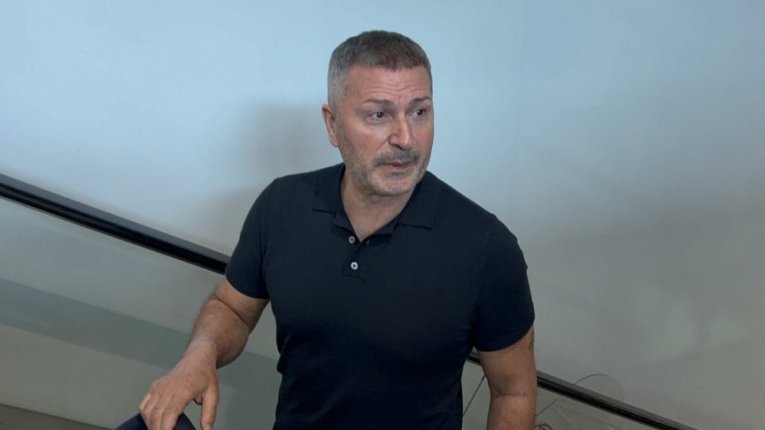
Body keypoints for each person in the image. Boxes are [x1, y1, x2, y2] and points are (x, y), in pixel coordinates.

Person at [139, 31, 536, 430]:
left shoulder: (486, 247)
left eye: (419, 112)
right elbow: (232, 308)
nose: (406, 138)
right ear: (332, 125)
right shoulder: (282, 205)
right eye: (379, 115)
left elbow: (513, 391)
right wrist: (199, 354)